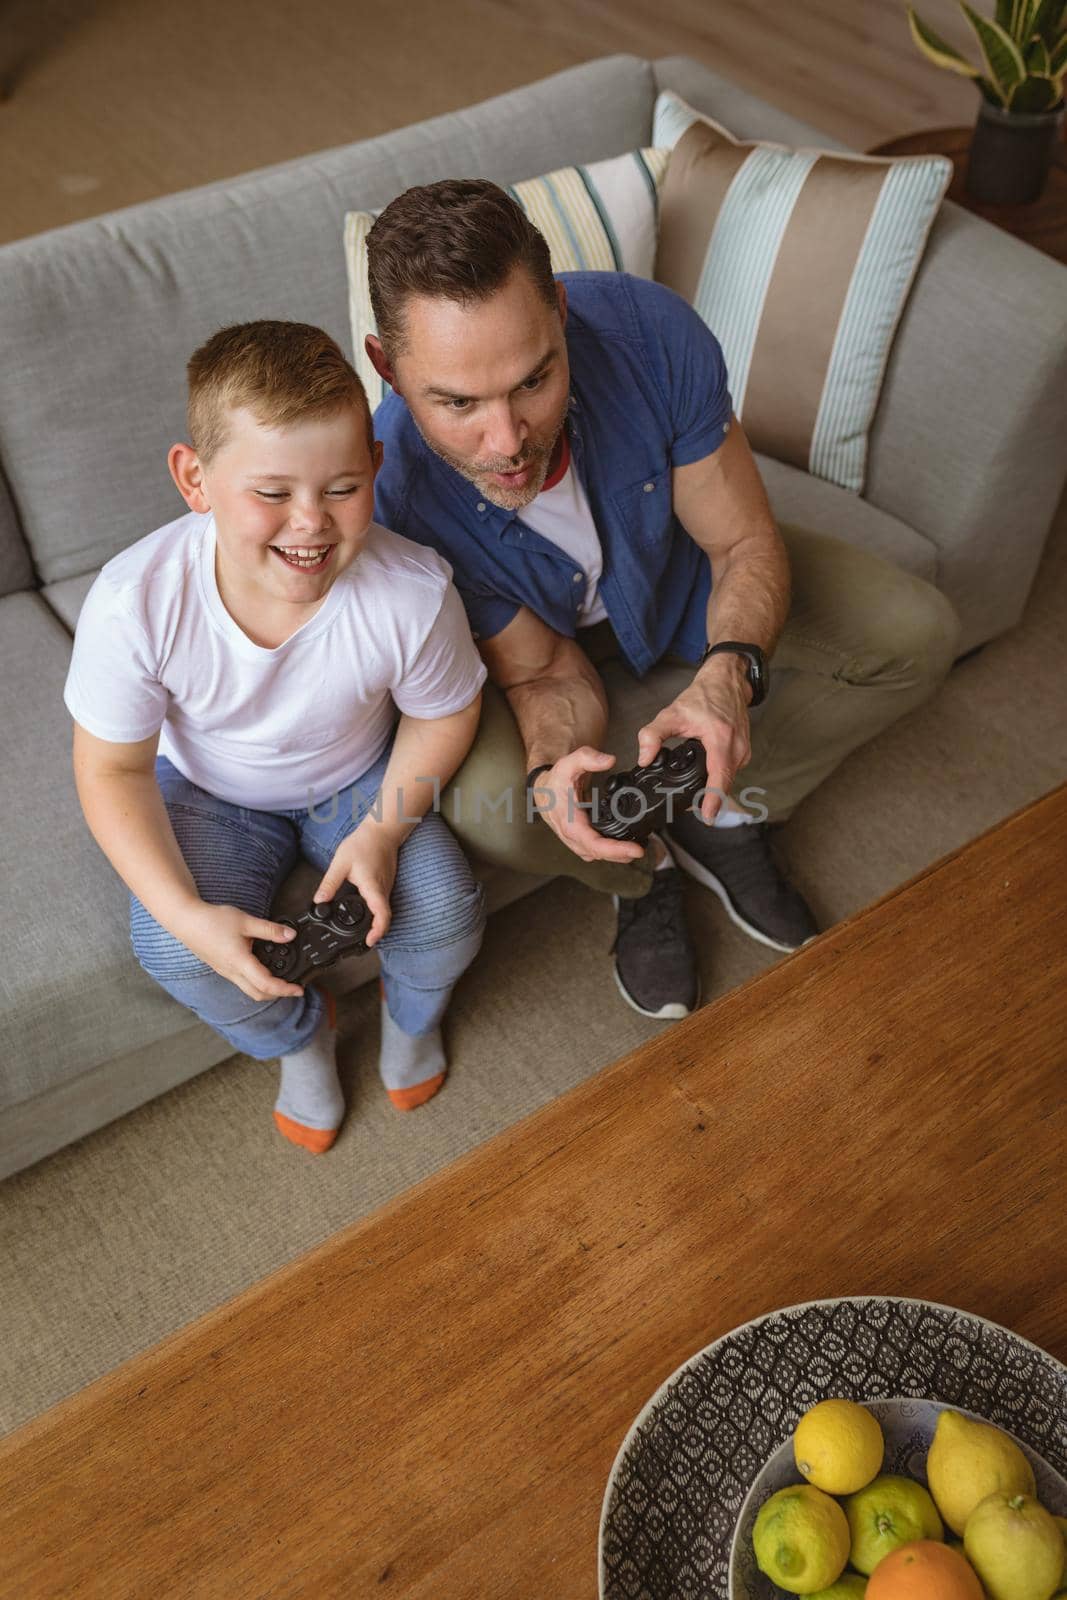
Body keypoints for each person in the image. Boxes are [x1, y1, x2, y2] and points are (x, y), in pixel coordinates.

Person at [365, 180, 961, 1020]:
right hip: (540, 647)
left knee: (914, 632)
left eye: (533, 381)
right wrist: (553, 773)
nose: (505, 443)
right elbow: (541, 673)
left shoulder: (648, 331)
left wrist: (726, 681)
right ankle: (638, 866)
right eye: (457, 403)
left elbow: (741, 543)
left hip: (677, 582)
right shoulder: (389, 491)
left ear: (562, 316)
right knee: (494, 810)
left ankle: (724, 810)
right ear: (388, 368)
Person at [64, 321, 487, 1154]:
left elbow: (444, 712)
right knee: (172, 947)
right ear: (195, 480)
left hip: (358, 781)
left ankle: (413, 1017)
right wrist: (187, 913)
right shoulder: (135, 601)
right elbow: (112, 769)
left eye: (340, 488)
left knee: (444, 912)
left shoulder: (411, 592)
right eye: (271, 493)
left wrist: (384, 830)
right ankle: (298, 1035)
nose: (311, 525)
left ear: (373, 462)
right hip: (210, 791)